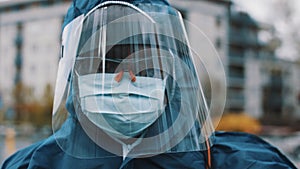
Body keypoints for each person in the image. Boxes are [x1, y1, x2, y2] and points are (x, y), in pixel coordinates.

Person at [1, 0, 297, 169]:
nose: (124, 78)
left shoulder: (247, 165)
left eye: (144, 63)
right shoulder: (28, 167)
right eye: (107, 63)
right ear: (73, 72)